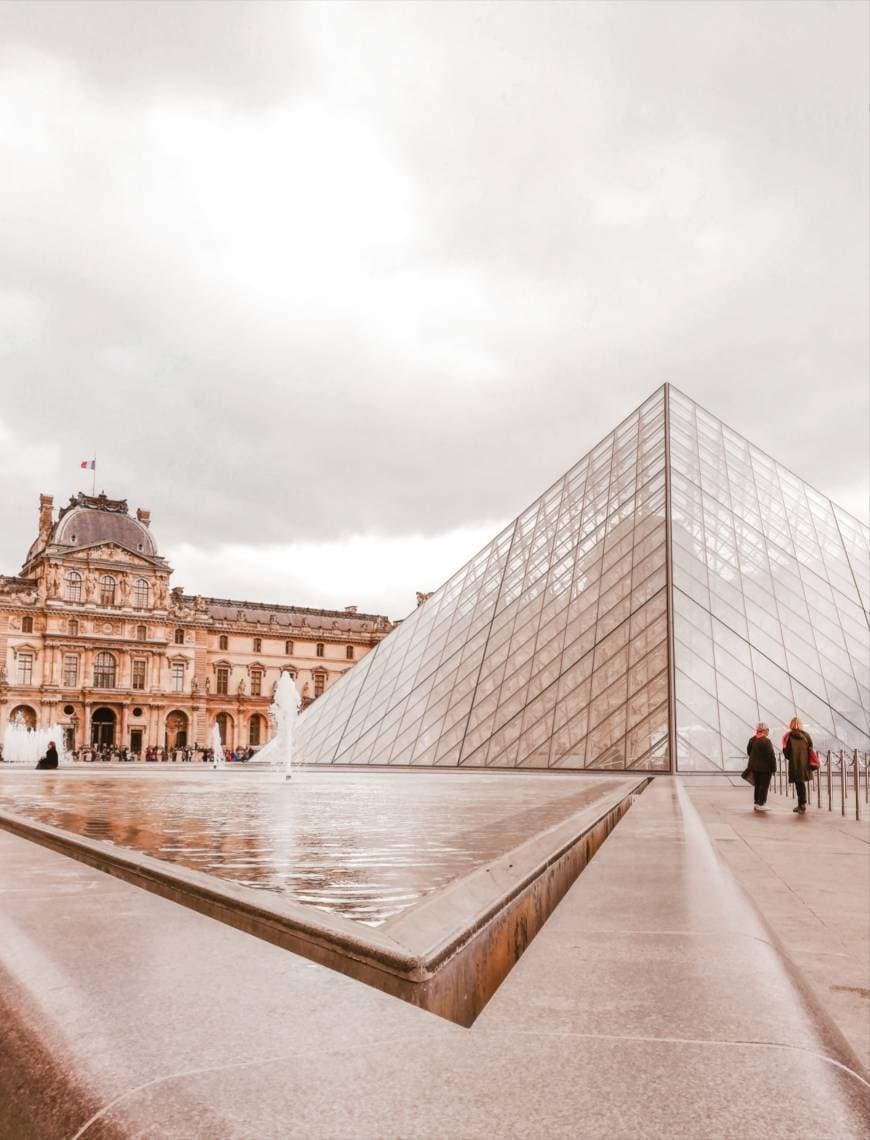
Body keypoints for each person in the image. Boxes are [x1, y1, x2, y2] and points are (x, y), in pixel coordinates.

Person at [782, 717, 813, 814]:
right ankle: (801, 804)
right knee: (801, 784)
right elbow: (810, 748)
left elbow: (786, 752)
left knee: (799, 785)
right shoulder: (806, 736)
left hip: (795, 764)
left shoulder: (788, 736)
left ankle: (802, 805)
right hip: (804, 764)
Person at [746, 722, 776, 811]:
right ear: (764, 730)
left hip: (754, 767)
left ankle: (756, 802)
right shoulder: (766, 741)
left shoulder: (752, 739)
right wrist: (774, 768)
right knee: (764, 786)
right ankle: (761, 803)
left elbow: (749, 752)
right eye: (767, 730)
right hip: (765, 768)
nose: (768, 731)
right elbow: (771, 756)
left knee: (758, 785)